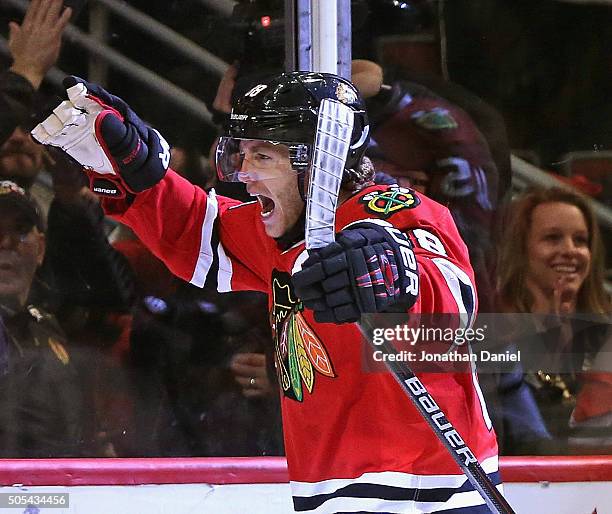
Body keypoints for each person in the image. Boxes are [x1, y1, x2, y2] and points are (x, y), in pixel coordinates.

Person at [32, 71, 501, 513]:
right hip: (328, 491)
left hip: (430, 492)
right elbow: (198, 231)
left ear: (320, 161)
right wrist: (138, 174)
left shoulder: (397, 212)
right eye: (242, 154)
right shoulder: (281, 230)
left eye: (263, 156)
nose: (244, 174)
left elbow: (453, 305)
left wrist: (395, 271)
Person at [493, 186, 612, 454]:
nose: (570, 250)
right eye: (552, 238)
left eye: (580, 240)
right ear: (520, 250)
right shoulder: (493, 340)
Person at [0, 180, 84, 457]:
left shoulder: (47, 326)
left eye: (21, 230)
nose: (6, 242)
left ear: (41, 249)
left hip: (56, 492)